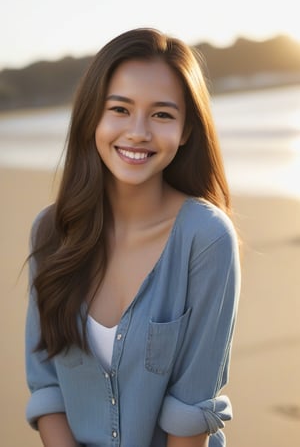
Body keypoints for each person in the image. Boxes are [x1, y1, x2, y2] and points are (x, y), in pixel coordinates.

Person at [25, 27, 241, 447]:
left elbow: (192, 411)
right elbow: (47, 386)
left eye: (162, 114)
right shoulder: (51, 233)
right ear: (92, 117)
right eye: (120, 109)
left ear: (186, 130)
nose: (138, 132)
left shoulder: (207, 239)